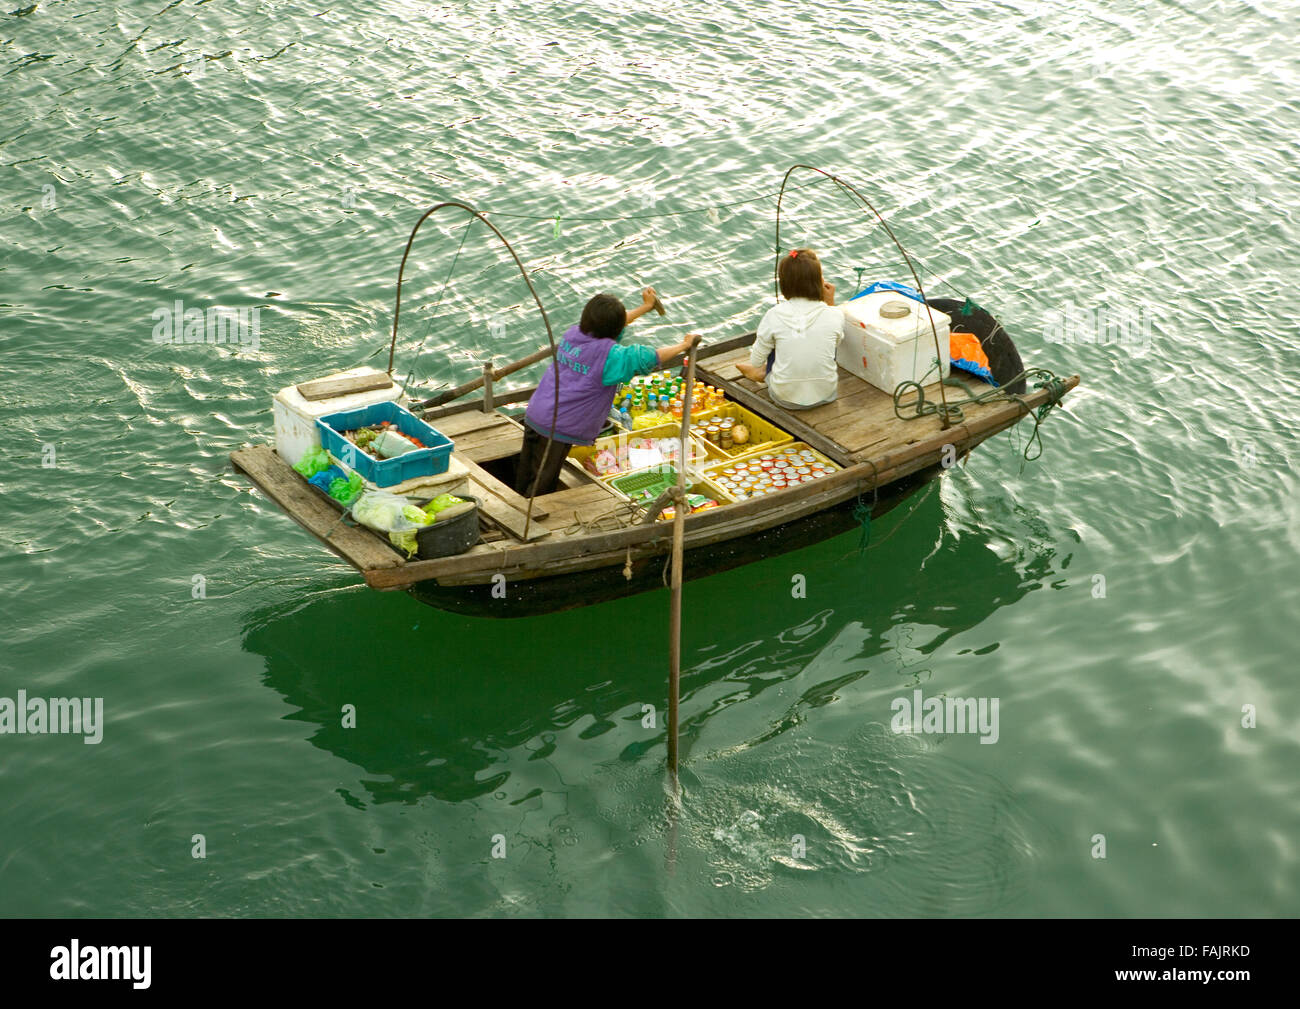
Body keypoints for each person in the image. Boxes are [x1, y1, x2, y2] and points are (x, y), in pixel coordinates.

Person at [515, 287, 698, 497]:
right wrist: (684, 344)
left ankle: (519, 499)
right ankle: (531, 516)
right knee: (543, 481)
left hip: (537, 410)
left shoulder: (574, 334)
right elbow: (646, 357)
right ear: (615, 330)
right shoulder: (610, 357)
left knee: (526, 469)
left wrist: (646, 307)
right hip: (557, 425)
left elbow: (613, 325)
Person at [736, 248, 844, 409]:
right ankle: (769, 373)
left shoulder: (774, 315)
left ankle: (763, 373)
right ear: (820, 282)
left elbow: (755, 360)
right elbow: (835, 344)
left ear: (784, 284)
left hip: (785, 398)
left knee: (776, 341)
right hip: (826, 395)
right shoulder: (834, 314)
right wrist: (830, 303)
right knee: (821, 338)